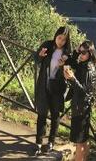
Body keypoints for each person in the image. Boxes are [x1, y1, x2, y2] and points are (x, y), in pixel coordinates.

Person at [34, 26, 72, 155]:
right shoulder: (47, 45)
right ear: (55, 36)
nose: (60, 41)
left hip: (58, 88)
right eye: (59, 38)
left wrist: (63, 67)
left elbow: (68, 73)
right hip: (44, 86)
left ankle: (51, 142)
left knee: (55, 115)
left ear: (67, 41)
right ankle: (38, 142)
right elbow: (36, 60)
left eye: (64, 40)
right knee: (42, 114)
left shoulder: (67, 53)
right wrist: (39, 56)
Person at [64, 41, 96, 161]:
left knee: (79, 142)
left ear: (90, 53)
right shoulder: (84, 64)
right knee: (83, 140)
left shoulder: (88, 69)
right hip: (82, 107)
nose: (81, 55)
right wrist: (76, 51)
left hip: (81, 108)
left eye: (83, 52)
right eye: (80, 52)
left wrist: (72, 79)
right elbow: (72, 63)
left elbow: (84, 91)